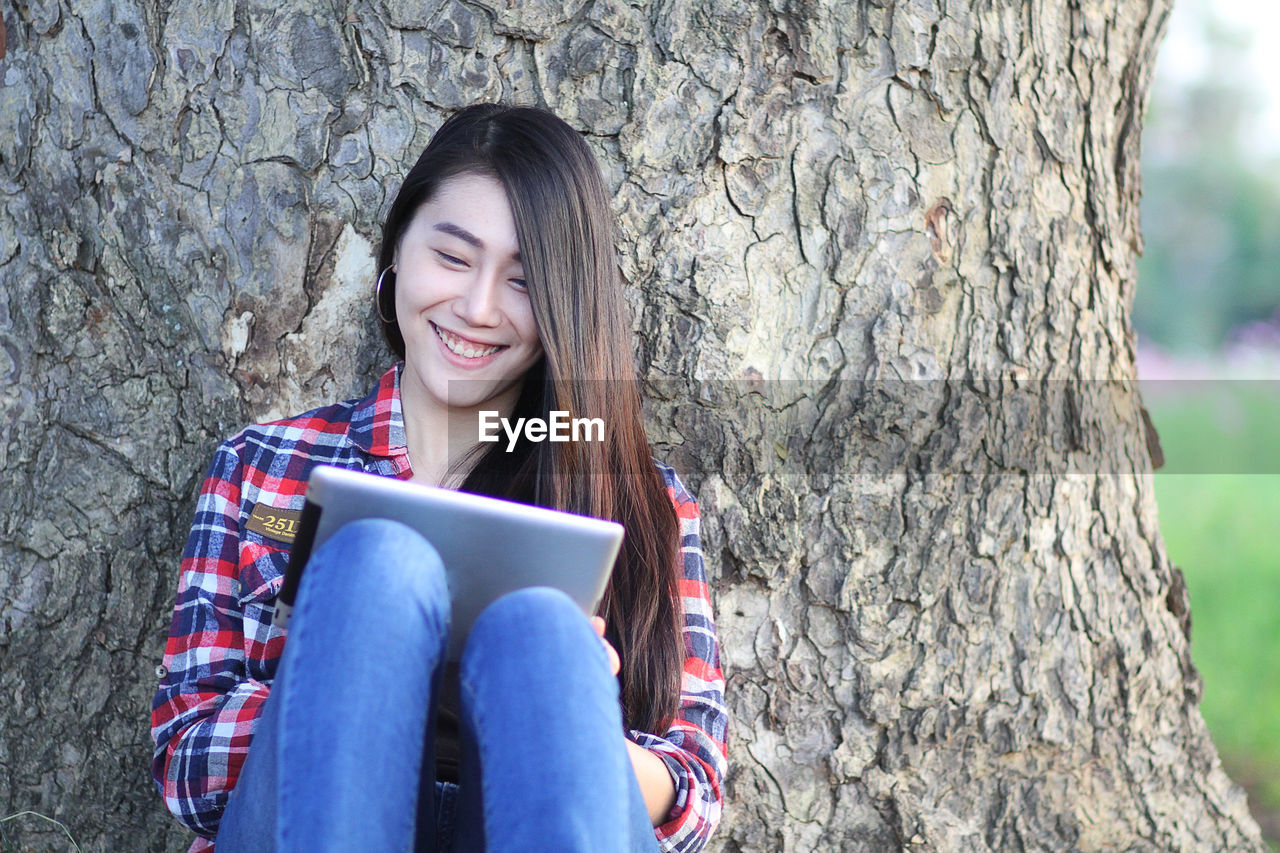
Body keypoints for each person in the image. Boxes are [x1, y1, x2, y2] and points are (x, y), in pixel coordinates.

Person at [150, 104, 727, 853]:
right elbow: (185, 766)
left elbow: (696, 796)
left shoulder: (641, 504)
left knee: (541, 632)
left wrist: (563, 715)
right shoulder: (261, 469)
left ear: (564, 307)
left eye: (523, 282)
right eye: (453, 258)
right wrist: (355, 665)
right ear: (397, 251)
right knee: (374, 570)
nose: (477, 307)